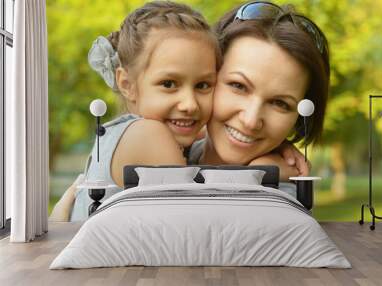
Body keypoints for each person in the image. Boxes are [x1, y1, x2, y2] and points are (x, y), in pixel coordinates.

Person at [50, 0, 221, 221]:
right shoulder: (148, 134)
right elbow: (200, 226)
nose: (190, 104)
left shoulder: (120, 133)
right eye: (169, 84)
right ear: (127, 84)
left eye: (203, 85)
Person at [188, 1, 330, 182]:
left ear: (299, 119)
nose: (250, 121)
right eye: (238, 86)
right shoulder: (157, 146)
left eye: (280, 103)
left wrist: (262, 175)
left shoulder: (282, 197)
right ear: (207, 78)